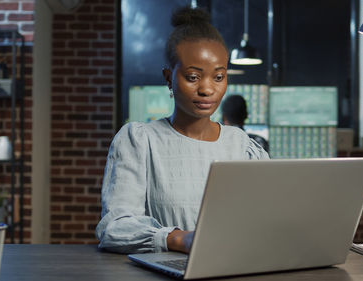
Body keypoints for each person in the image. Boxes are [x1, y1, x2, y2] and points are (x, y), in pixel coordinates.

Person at [95, 7, 269, 255]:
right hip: (166, 270)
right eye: (193, 77)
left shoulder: (242, 145)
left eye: (218, 77)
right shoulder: (140, 141)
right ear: (169, 77)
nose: (207, 89)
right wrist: (180, 240)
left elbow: (267, 217)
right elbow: (115, 228)